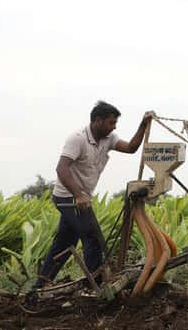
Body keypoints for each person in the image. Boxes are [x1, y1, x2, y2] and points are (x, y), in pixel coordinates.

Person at [31, 101, 154, 291]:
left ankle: (39, 285)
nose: (114, 127)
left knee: (65, 242)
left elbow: (130, 148)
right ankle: (97, 285)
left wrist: (143, 125)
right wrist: (78, 195)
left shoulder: (108, 138)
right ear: (97, 120)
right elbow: (61, 168)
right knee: (92, 237)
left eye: (115, 123)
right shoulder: (77, 139)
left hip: (81, 198)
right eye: (111, 123)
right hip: (67, 198)